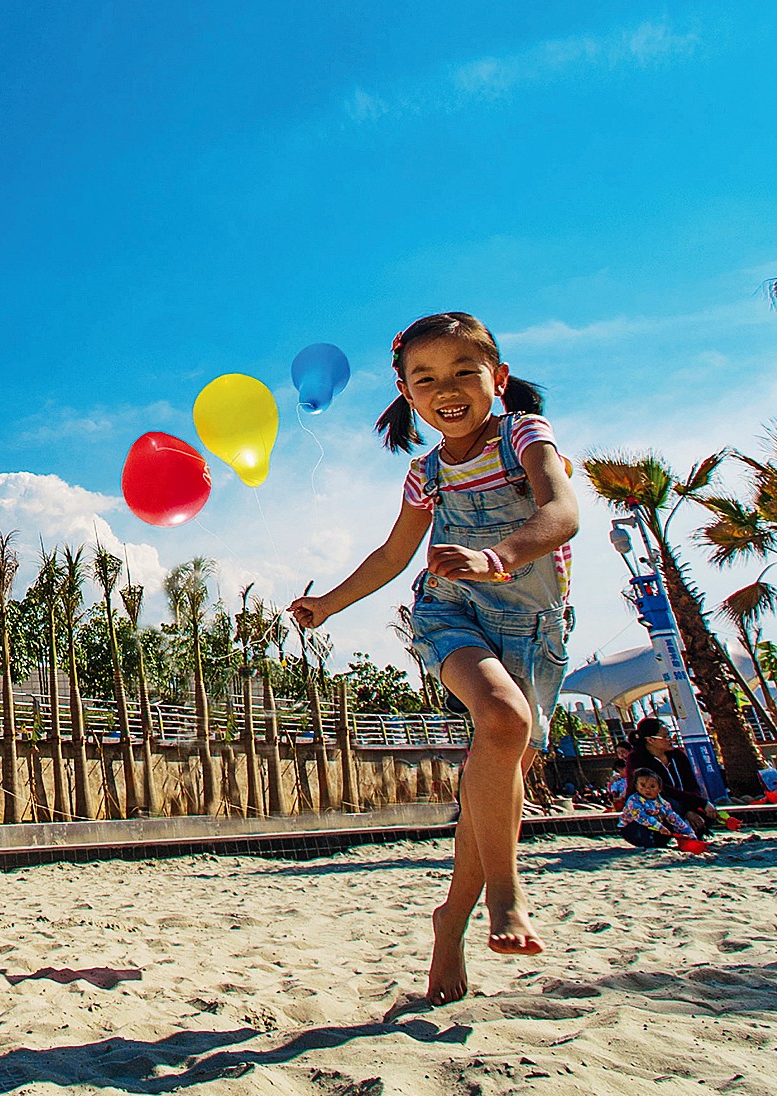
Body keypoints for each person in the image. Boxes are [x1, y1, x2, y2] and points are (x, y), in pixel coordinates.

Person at [290, 313, 579, 1006]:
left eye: (463, 372)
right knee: (503, 720)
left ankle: (452, 920)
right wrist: (328, 602)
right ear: (407, 393)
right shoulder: (426, 474)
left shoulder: (524, 436)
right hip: (451, 613)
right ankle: (507, 897)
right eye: (427, 379)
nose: (446, 389)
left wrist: (496, 557)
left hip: (533, 626)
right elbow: (395, 555)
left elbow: (562, 511)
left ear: (497, 380)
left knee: (498, 776)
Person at [626, 718, 723, 838]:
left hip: (681, 801)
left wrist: (692, 808)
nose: (671, 739)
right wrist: (695, 804)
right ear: (650, 740)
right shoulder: (637, 759)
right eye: (666, 736)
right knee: (671, 806)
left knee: (708, 810)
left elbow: (691, 784)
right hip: (651, 806)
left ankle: (694, 832)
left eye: (670, 734)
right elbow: (660, 789)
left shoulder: (677, 755)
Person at [619, 768, 699, 848]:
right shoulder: (634, 800)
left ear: (659, 789)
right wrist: (659, 827)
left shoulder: (663, 803)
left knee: (670, 823)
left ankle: (661, 843)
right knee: (643, 827)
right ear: (636, 786)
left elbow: (674, 818)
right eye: (643, 785)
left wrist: (688, 832)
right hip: (633, 829)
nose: (647, 789)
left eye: (652, 786)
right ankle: (650, 846)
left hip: (656, 828)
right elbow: (641, 817)